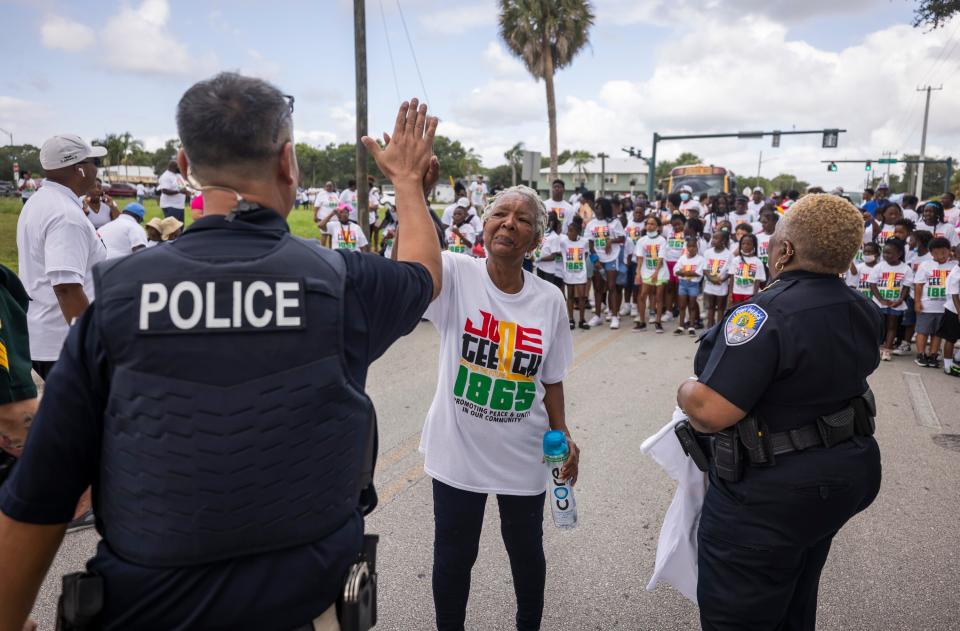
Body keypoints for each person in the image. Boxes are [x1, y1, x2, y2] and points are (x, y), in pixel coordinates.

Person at [0, 74, 443, 631]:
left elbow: (40, 493)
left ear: (185, 165)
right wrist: (406, 180)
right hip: (306, 612)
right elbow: (424, 274)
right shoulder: (342, 281)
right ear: (288, 163)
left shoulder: (117, 295)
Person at [677, 193, 882, 631]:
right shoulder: (862, 307)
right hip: (844, 474)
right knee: (795, 599)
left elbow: (711, 412)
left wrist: (685, 391)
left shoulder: (762, 312)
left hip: (769, 496)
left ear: (785, 250)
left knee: (738, 613)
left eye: (774, 241)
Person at [413, 183, 576, 631]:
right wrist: (415, 196)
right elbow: (407, 266)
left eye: (523, 220)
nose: (509, 223)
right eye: (501, 214)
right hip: (457, 449)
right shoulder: (455, 273)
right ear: (483, 225)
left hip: (522, 452)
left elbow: (552, 377)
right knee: (453, 554)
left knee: (526, 550)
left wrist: (562, 438)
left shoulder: (549, 300)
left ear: (537, 240)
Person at [16, 134, 107, 380]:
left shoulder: (40, 202)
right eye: (94, 163)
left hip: (47, 335)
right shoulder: (65, 215)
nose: (96, 170)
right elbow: (66, 287)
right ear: (79, 169)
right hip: (65, 343)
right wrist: (92, 343)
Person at [912, 237, 957, 367]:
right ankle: (921, 354)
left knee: (938, 333)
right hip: (927, 306)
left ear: (950, 251)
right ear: (931, 253)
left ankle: (933, 354)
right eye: (936, 253)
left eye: (944, 252)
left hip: (945, 307)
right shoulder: (925, 265)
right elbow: (919, 285)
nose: (941, 255)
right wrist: (917, 302)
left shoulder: (954, 266)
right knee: (923, 331)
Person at [585, 198, 626, 329]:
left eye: (598, 207)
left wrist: (610, 241)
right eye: (595, 207)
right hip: (598, 259)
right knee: (597, 288)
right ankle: (597, 316)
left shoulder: (614, 222)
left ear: (604, 208)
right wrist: (594, 260)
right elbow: (589, 245)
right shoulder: (591, 224)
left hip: (611, 258)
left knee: (612, 287)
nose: (595, 209)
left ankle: (614, 316)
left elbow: (622, 238)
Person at [869, 238, 913, 361]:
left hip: (895, 303)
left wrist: (900, 300)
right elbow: (872, 284)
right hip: (879, 302)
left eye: (889, 253)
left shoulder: (906, 269)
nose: (886, 255)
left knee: (892, 326)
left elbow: (906, 287)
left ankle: (887, 350)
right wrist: (881, 299)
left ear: (899, 254)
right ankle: (874, 347)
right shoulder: (879, 267)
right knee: (878, 324)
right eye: (884, 252)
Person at [633, 215, 668, 333]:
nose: (650, 226)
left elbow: (661, 258)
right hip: (646, 271)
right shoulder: (641, 240)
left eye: (652, 224)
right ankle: (642, 322)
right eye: (648, 223)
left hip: (660, 271)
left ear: (658, 227)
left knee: (658, 297)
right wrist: (638, 273)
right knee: (642, 296)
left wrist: (656, 272)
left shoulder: (662, 240)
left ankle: (658, 322)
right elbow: (640, 259)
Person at [558, 215, 590, 329]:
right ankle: (571, 319)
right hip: (568, 273)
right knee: (570, 296)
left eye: (571, 231)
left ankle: (582, 320)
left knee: (582, 296)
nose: (569, 233)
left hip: (580, 273)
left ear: (578, 232)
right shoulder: (563, 242)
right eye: (568, 231)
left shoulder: (584, 242)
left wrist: (579, 264)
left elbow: (585, 254)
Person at [674, 236, 704, 336]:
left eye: (694, 246)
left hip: (693, 285)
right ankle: (681, 326)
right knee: (682, 306)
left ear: (697, 247)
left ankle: (691, 326)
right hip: (683, 284)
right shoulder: (682, 258)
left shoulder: (700, 259)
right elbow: (676, 271)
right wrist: (689, 272)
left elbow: (698, 273)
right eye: (689, 246)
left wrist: (684, 272)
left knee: (692, 305)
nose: (692, 248)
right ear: (687, 247)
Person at [702, 231, 732, 329]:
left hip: (721, 285)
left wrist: (722, 280)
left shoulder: (728, 254)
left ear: (723, 240)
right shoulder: (708, 252)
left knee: (720, 307)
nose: (713, 240)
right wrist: (711, 279)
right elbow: (705, 268)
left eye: (716, 238)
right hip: (710, 284)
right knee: (710, 306)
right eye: (713, 238)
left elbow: (730, 271)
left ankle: (718, 327)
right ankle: (709, 325)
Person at [936, 258, 960, 376]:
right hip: (954, 311)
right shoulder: (955, 274)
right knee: (950, 338)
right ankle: (948, 366)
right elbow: (954, 295)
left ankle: (957, 357)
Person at [727, 232, 765, 304]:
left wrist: (754, 295)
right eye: (743, 244)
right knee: (737, 311)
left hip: (750, 293)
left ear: (754, 245)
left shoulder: (757, 262)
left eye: (748, 244)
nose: (745, 246)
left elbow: (757, 281)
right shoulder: (736, 260)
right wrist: (730, 293)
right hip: (737, 292)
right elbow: (732, 278)